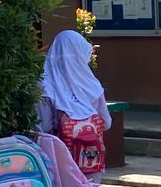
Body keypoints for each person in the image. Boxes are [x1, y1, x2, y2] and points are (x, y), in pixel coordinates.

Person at [36, 30, 111, 177]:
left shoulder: (44, 86)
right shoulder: (91, 85)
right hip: (90, 162)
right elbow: (106, 123)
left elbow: (42, 129)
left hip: (57, 166)